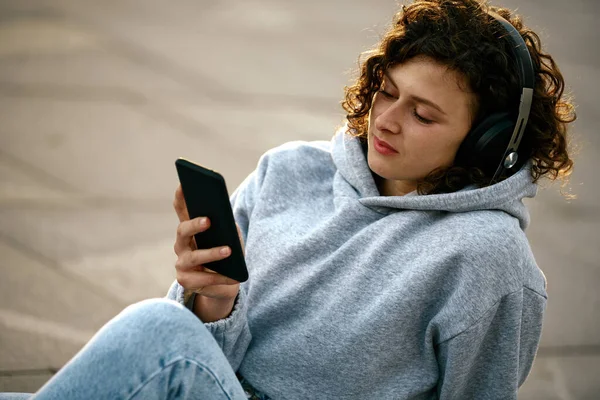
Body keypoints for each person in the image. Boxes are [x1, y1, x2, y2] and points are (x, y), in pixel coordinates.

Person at [1, 0, 575, 399]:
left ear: (487, 142)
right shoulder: (292, 170)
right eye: (387, 92)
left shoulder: (487, 259)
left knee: (159, 333)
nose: (387, 120)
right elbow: (196, 354)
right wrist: (213, 301)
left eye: (423, 114)